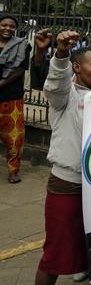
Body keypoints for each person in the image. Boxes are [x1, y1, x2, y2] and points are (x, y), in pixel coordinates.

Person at [34, 32, 91, 285]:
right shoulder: (64, 97)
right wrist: (61, 54)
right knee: (55, 252)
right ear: (77, 67)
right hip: (67, 184)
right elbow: (55, 85)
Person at [0, 14, 47, 183]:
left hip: (11, 97)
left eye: (11, 26)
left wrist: (2, 83)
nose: (7, 28)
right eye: (4, 25)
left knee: (13, 137)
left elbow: (21, 68)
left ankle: (13, 171)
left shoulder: (22, 45)